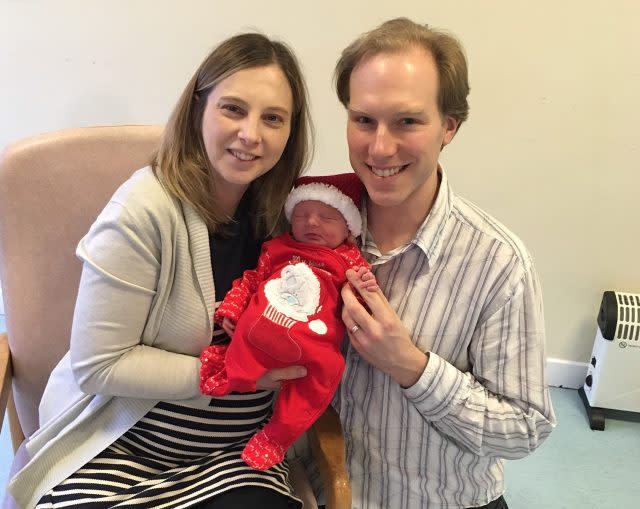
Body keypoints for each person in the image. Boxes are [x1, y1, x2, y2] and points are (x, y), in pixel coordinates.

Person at [8, 33, 314, 509]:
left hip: (236, 459)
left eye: (273, 118)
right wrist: (230, 374)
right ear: (198, 110)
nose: (252, 134)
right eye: (233, 109)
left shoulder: (291, 215)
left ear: (291, 132)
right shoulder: (143, 209)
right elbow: (99, 365)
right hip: (120, 446)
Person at [303, 18, 557, 509]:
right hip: (324, 491)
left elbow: (526, 430)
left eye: (407, 121)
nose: (379, 148)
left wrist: (411, 367)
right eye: (363, 119)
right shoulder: (313, 225)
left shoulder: (499, 265)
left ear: (449, 127)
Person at [200, 173, 377, 471]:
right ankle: (225, 369)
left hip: (310, 350)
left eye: (326, 217)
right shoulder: (277, 248)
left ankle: (276, 437)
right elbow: (252, 279)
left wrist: (365, 287)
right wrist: (232, 308)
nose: (311, 223)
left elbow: (360, 307)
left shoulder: (349, 262)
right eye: (302, 215)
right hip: (258, 331)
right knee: (241, 349)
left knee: (324, 377)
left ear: (349, 228)